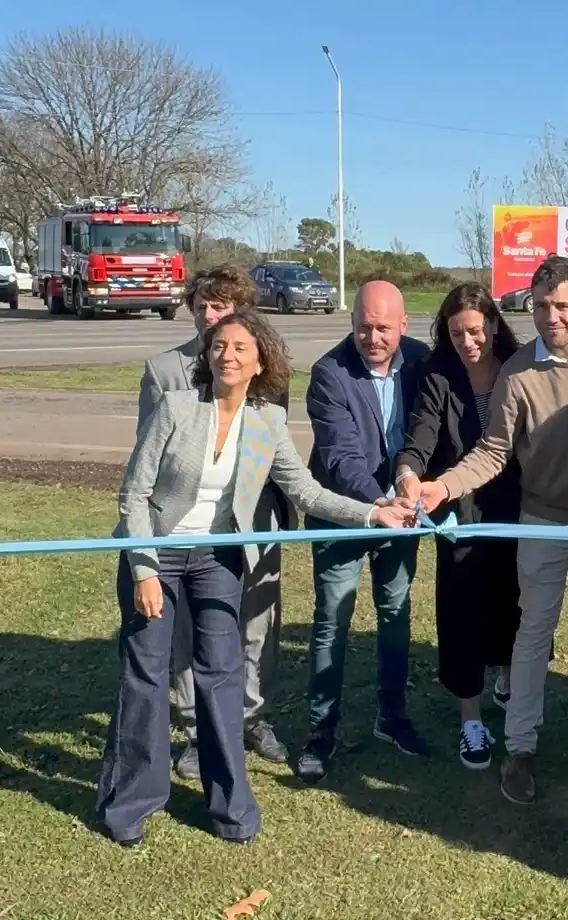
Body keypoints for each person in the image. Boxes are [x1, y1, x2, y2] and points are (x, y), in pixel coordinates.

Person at [100, 310, 414, 847]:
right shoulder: (176, 408)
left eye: (241, 348)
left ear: (260, 360)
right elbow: (133, 495)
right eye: (220, 346)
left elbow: (307, 492)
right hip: (156, 552)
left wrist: (373, 513)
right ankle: (131, 802)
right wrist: (145, 571)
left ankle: (229, 805)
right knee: (147, 674)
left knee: (222, 672)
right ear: (207, 355)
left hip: (218, 557)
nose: (228, 356)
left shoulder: (266, 422)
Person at [415, 255, 568, 805]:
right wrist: (442, 486)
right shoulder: (518, 371)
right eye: (542, 305)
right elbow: (493, 450)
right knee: (532, 631)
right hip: (543, 518)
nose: (551, 316)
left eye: (563, 306)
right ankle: (519, 746)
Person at [137, 265, 287, 781]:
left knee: (253, 627)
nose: (209, 316)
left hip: (249, 520)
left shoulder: (262, 360)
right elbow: (146, 469)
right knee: (188, 635)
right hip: (182, 531)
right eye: (201, 306)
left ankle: (250, 717)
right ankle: (195, 729)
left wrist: (371, 512)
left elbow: (276, 452)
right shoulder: (165, 373)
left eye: (220, 306)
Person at [300, 281, 433, 784]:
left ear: (403, 324)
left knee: (395, 616)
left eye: (382, 328)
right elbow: (340, 457)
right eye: (362, 326)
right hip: (345, 515)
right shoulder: (329, 373)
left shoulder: (422, 362)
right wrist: (379, 504)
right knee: (333, 620)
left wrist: (413, 494)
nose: (371, 337)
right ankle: (320, 731)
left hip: (404, 514)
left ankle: (392, 718)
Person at [394, 284, 523, 769]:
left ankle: (511, 681)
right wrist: (409, 475)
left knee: (518, 601)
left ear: (492, 324)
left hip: (518, 507)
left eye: (475, 330)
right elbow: (420, 439)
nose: (468, 342)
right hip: (458, 507)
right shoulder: (439, 375)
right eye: (456, 333)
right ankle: (471, 719)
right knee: (463, 609)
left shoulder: (518, 363)